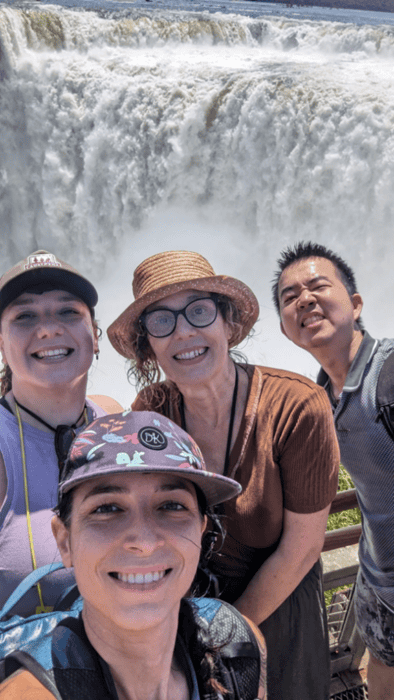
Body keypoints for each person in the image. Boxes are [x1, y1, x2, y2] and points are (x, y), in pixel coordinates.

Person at [107, 249, 340, 700]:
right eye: (161, 321)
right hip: (187, 613)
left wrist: (227, 639)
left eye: (198, 311)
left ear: (227, 323)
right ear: (147, 347)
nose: (184, 332)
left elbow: (302, 547)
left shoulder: (297, 407)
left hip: (279, 608)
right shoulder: (152, 412)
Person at [0, 410, 267, 700]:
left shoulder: (238, 647)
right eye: (107, 508)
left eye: (172, 506)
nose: (145, 542)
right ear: (65, 542)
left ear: (201, 532)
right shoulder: (28, 694)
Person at [273, 241, 394, 700]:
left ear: (356, 303)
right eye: (290, 297)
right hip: (377, 587)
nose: (304, 299)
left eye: (318, 286)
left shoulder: (389, 372)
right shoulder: (319, 400)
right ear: (286, 330)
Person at [0, 250, 122, 617]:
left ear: (96, 337)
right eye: (24, 316)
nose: (49, 328)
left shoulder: (113, 419)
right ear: (1, 345)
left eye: (69, 311)